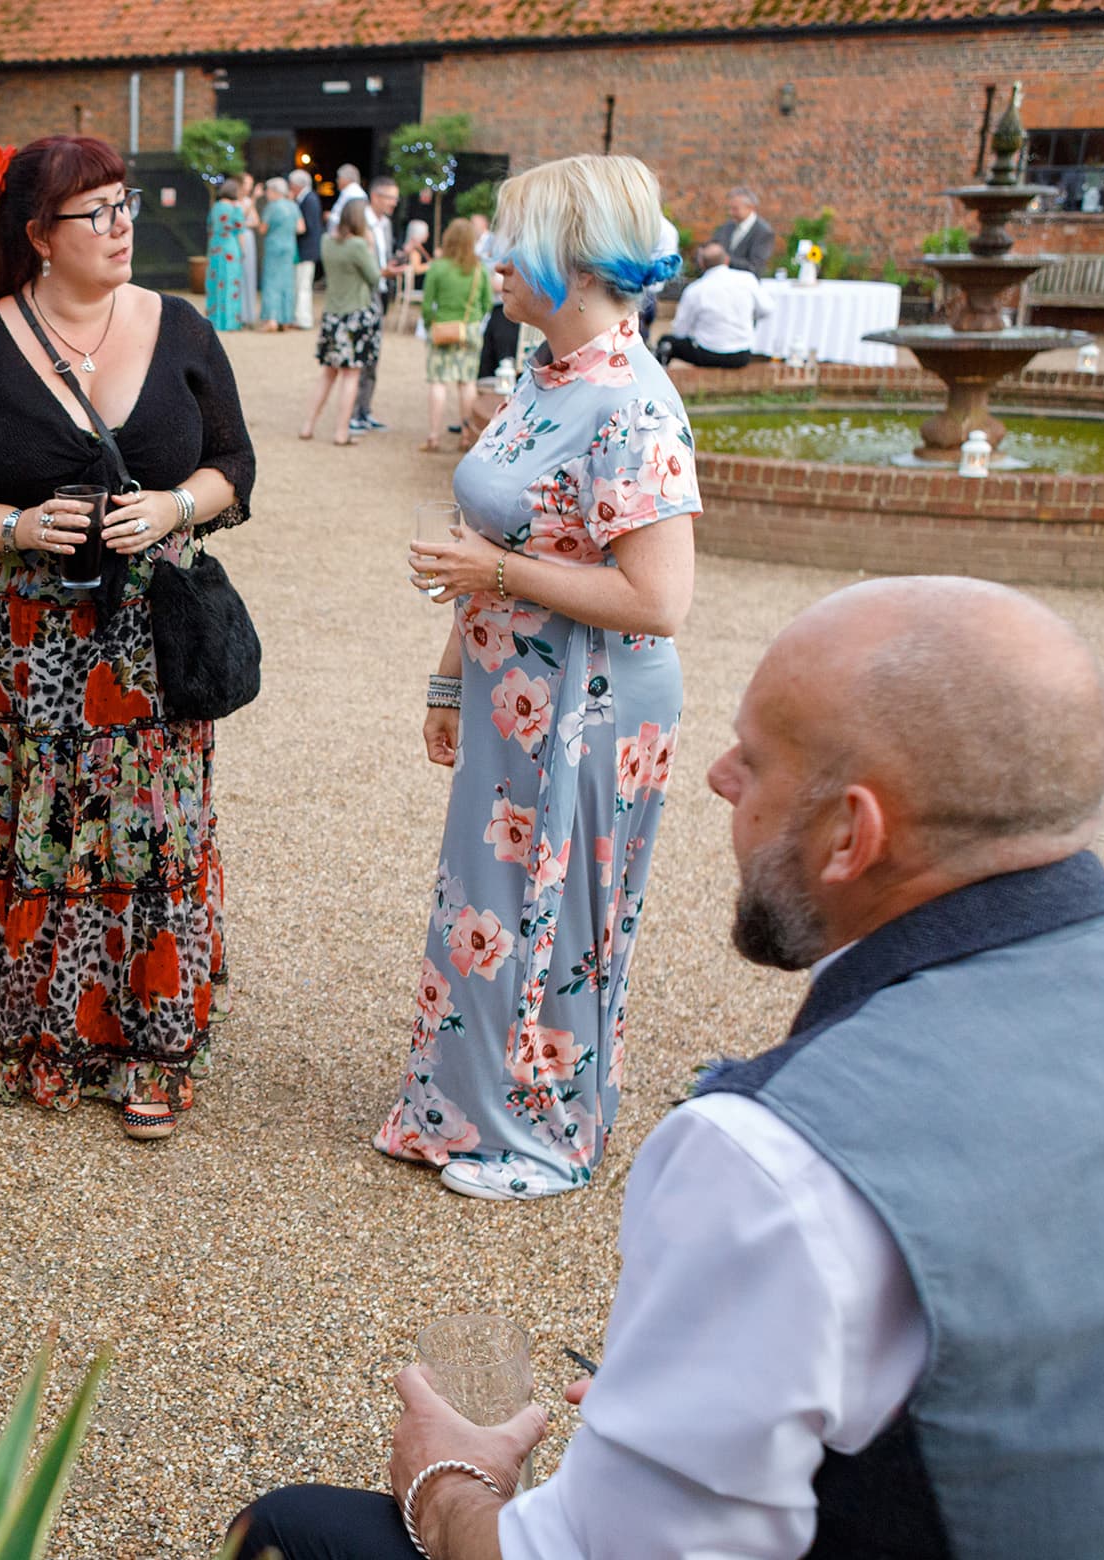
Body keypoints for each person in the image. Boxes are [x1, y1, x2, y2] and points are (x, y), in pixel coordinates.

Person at [231, 576, 1104, 1560]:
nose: (717, 777)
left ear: (851, 836)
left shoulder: (780, 1156)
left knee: (290, 1531)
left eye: (755, 758)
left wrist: (450, 1485)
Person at [0, 136, 256, 1141]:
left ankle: (153, 1043)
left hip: (150, 641)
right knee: (29, 832)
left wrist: (176, 505)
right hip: (17, 650)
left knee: (153, 837)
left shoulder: (178, 324)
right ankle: (21, 1023)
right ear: (37, 238)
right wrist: (15, 526)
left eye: (123, 203)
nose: (121, 225)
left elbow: (236, 462)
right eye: (94, 212)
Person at [394, 154, 694, 1201]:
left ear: (573, 257)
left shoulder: (633, 406)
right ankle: (464, 1107)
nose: (494, 259)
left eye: (515, 243)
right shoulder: (542, 374)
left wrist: (497, 574)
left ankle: (544, 1137)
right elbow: (495, 535)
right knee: (487, 902)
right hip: (509, 695)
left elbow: (660, 602)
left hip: (593, 707)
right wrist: (448, 679)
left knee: (556, 916)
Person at [304, 195, 382, 446]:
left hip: (332, 314)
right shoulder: (358, 246)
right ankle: (340, 432)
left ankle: (309, 425)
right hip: (355, 314)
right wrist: (369, 247)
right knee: (350, 375)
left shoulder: (327, 241)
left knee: (328, 373)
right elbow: (374, 277)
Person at [419, 218, 491, 453]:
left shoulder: (438, 267)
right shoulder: (479, 269)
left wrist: (432, 323)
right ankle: (466, 435)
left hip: (442, 328)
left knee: (438, 382)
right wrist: (472, 321)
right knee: (467, 383)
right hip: (468, 329)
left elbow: (427, 304)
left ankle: (433, 436)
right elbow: (487, 302)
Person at [349, 175, 407, 435]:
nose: (394, 204)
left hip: (382, 294)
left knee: (374, 356)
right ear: (375, 197)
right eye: (390, 198)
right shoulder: (360, 224)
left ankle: (365, 410)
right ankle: (352, 413)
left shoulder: (386, 225)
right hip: (363, 295)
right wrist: (384, 272)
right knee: (358, 356)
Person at [656, 241, 770, 368]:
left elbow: (680, 330)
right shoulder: (747, 279)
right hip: (741, 354)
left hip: (707, 353)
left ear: (702, 264)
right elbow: (766, 309)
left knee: (666, 342)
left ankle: (659, 379)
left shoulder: (696, 289)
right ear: (727, 260)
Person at [258, 176, 304, 330]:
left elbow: (263, 229)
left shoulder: (272, 207)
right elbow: (301, 228)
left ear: (274, 191)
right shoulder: (293, 206)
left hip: (274, 247)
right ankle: (285, 319)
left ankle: (272, 318)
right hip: (289, 247)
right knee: (287, 283)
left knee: (271, 282)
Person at [205, 179, 247, 331]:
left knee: (215, 282)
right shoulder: (236, 209)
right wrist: (243, 251)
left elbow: (209, 228)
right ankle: (230, 322)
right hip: (230, 247)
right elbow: (241, 232)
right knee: (230, 283)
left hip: (216, 247)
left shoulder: (215, 207)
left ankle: (214, 319)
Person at [711, 185, 776, 276]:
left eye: (735, 209)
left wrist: (725, 259)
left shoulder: (764, 232)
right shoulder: (727, 226)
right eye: (729, 208)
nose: (730, 213)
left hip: (745, 285)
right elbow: (713, 245)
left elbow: (756, 267)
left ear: (751, 208)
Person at [290, 169, 324, 329]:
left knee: (303, 286)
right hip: (306, 250)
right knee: (301, 285)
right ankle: (300, 317)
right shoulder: (307, 199)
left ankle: (303, 319)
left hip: (307, 250)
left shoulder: (309, 200)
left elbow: (309, 227)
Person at [235, 173, 263, 328]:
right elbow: (241, 219)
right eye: (247, 183)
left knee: (249, 274)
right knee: (240, 274)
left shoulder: (246, 201)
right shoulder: (237, 201)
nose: (250, 187)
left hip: (249, 237)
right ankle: (240, 313)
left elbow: (255, 221)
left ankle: (249, 314)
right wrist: (254, 200)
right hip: (240, 238)